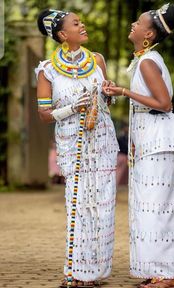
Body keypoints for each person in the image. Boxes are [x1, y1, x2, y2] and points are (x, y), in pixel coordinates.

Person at [103, 3, 174, 288]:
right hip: (152, 137)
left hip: (160, 137)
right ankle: (158, 270)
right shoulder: (146, 59)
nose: (132, 25)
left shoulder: (149, 61)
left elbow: (164, 104)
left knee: (157, 207)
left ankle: (169, 274)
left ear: (148, 34)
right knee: (149, 207)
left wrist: (125, 91)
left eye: (137, 23)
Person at [35, 9, 119, 288]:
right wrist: (73, 108)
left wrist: (108, 94)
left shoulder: (97, 61)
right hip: (72, 144)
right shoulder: (47, 70)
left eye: (81, 22)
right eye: (76, 23)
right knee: (77, 204)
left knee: (101, 206)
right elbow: (44, 116)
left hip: (102, 142)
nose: (82, 26)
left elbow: (106, 104)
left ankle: (94, 273)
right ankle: (75, 272)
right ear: (62, 34)